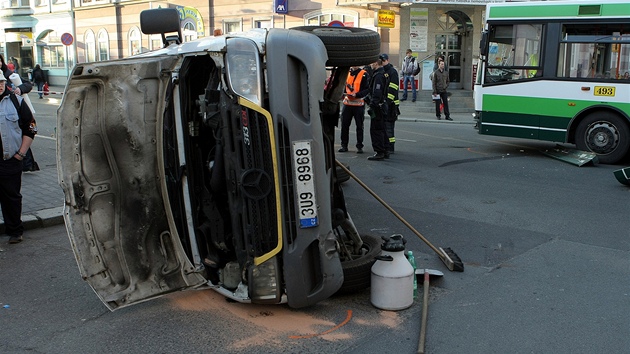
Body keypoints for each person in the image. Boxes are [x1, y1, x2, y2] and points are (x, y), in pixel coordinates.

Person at [0, 71, 37, 244]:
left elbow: (31, 128)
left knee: (11, 197)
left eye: (0, 82)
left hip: (10, 160)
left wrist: (21, 154)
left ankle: (15, 231)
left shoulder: (16, 101)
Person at [339, 66, 370, 154]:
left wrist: (357, 95)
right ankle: (344, 145)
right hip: (347, 104)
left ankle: (359, 146)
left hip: (358, 104)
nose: (354, 66)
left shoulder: (364, 74)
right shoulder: (348, 73)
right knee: (344, 126)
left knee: (359, 126)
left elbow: (367, 89)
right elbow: (343, 86)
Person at [366, 59, 389, 161]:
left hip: (378, 107)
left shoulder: (378, 75)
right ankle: (385, 151)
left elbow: (377, 91)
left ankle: (379, 152)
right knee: (382, 129)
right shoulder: (383, 74)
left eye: (372, 62)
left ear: (376, 63)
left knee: (376, 130)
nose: (371, 65)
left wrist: (372, 104)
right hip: (382, 106)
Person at [380, 53, 400, 154]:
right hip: (385, 104)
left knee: (389, 127)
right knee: (384, 126)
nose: (382, 63)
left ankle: (391, 146)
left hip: (391, 105)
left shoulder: (392, 72)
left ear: (387, 60)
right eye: (381, 61)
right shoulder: (382, 71)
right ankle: (386, 145)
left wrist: (387, 101)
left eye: (383, 61)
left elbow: (393, 88)